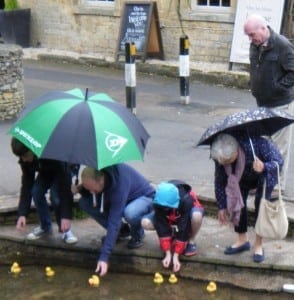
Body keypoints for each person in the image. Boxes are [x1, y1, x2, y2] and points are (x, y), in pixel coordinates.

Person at [210, 133, 283, 263]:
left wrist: (264, 166)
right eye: (223, 162)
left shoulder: (258, 145)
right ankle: (242, 240)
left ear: (236, 151)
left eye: (228, 161)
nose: (225, 164)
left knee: (261, 206)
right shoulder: (219, 156)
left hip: (263, 177)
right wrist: (221, 206)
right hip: (240, 180)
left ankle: (258, 244)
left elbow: (278, 162)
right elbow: (220, 180)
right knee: (238, 203)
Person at [74, 164, 155, 276]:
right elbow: (91, 194)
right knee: (84, 203)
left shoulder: (119, 184)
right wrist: (80, 190)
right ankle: (123, 231)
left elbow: (114, 221)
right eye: (88, 189)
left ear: (101, 180)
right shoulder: (100, 178)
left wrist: (104, 257)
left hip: (143, 199)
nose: (91, 192)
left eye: (92, 189)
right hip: (125, 199)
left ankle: (138, 234)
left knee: (130, 213)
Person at [243, 14, 294, 194]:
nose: (250, 39)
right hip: (262, 104)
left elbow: (292, 72)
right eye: (248, 35)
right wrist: (254, 83)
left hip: (281, 104)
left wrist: (277, 88)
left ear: (264, 29)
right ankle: (262, 181)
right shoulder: (255, 45)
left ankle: (276, 186)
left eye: (252, 34)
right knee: (262, 145)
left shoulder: (282, 45)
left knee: (279, 148)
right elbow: (254, 67)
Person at [11, 137, 78, 244]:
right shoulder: (26, 160)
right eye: (20, 157)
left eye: (25, 156)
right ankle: (45, 226)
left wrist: (66, 216)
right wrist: (22, 214)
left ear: (32, 149)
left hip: (65, 166)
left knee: (55, 196)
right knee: (36, 192)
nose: (23, 159)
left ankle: (65, 229)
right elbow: (27, 185)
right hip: (46, 167)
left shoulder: (55, 152)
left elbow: (65, 187)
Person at [141, 180, 204, 273]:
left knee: (196, 216)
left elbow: (184, 226)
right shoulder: (157, 201)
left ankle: (191, 241)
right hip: (172, 215)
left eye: (167, 207)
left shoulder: (186, 200)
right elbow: (160, 224)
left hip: (185, 213)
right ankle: (171, 236)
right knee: (145, 222)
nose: (164, 209)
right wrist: (167, 252)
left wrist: (176, 255)